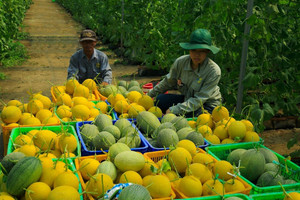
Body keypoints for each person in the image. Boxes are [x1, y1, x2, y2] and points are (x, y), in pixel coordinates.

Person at [148, 28, 222, 117]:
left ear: (207, 52)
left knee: (194, 118)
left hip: (207, 105)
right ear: (189, 49)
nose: (197, 55)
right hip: (188, 99)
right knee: (159, 101)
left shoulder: (213, 71)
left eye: (201, 51)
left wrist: (174, 110)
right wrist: (148, 96)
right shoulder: (180, 62)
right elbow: (167, 82)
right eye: (194, 50)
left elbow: (199, 100)